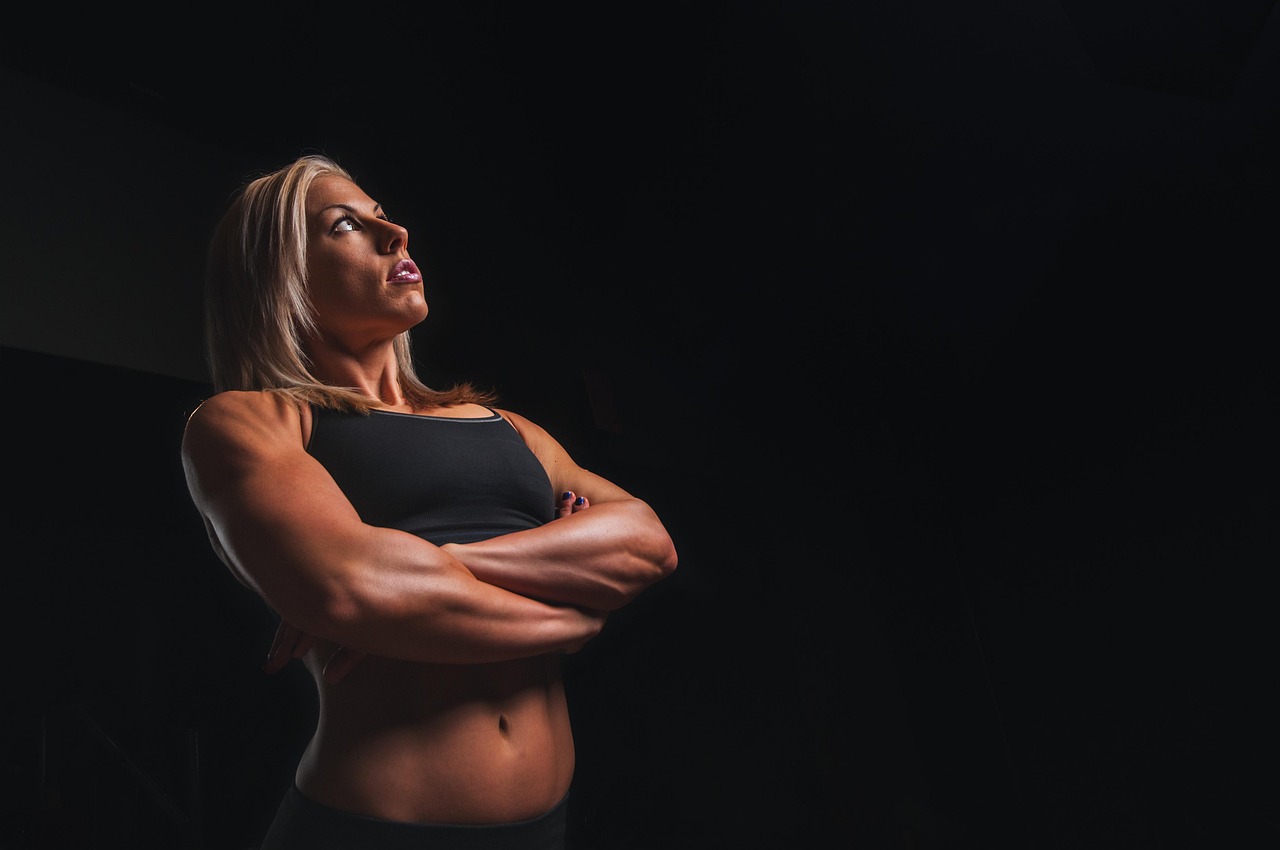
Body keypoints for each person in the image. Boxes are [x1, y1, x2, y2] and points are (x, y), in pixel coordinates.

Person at [180, 153, 678, 849]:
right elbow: (349, 591)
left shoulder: (508, 428)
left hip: (544, 828)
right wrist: (575, 618)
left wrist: (438, 563)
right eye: (348, 226)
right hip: (372, 829)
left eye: (385, 216)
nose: (396, 234)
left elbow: (646, 544)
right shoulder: (251, 420)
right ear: (280, 275)